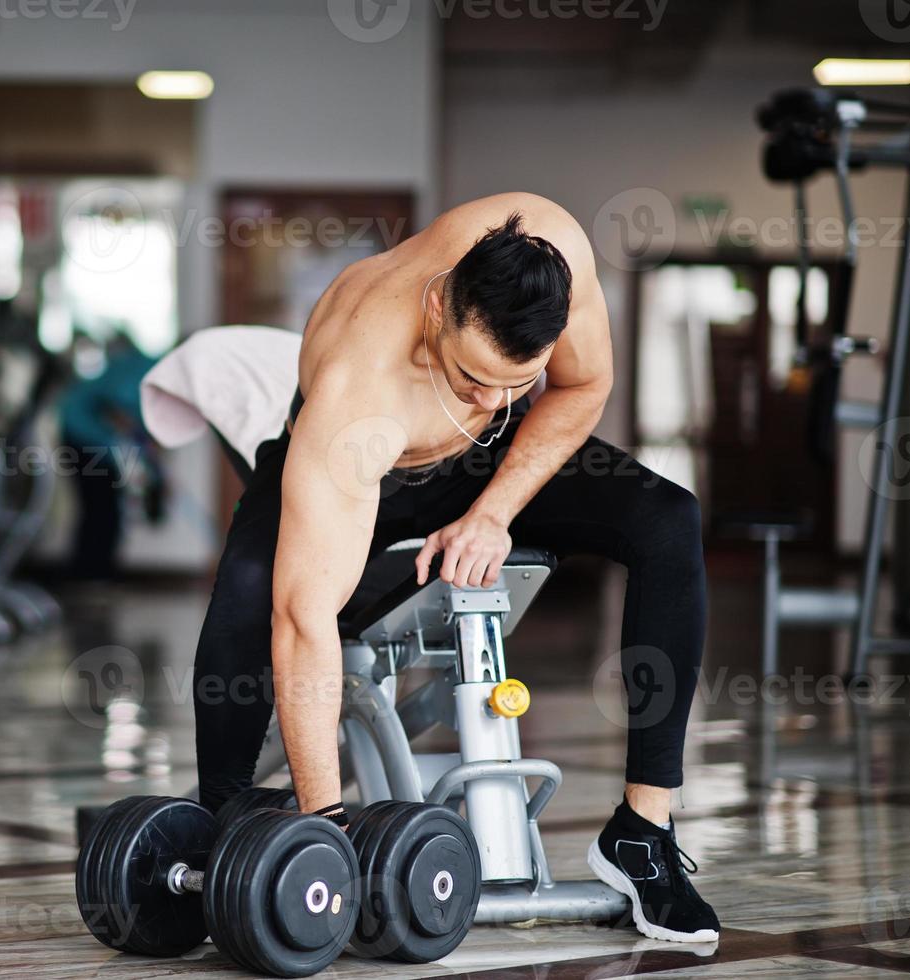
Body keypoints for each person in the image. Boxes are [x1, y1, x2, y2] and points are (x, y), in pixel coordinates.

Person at [192, 193, 718, 943]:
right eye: (475, 377)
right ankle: (225, 817)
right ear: (438, 308)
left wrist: (492, 511)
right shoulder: (356, 387)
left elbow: (580, 386)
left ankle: (641, 834)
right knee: (254, 596)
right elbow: (303, 621)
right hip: (378, 462)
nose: (494, 398)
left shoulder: (555, 250)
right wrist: (326, 832)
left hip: (480, 466)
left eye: (514, 381)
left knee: (668, 519)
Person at [58, 331, 163, 580]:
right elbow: (113, 405)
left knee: (104, 508)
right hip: (81, 435)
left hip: (94, 440)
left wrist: (155, 472)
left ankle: (95, 575)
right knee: (100, 508)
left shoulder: (149, 368)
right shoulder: (147, 370)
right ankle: (90, 577)